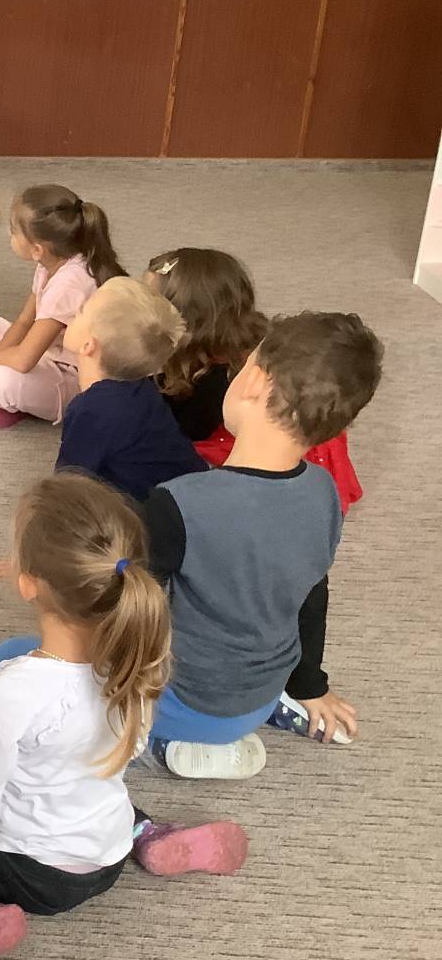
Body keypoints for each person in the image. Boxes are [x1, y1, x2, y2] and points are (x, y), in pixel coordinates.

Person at [0, 474, 248, 960]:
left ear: (28, 583)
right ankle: (147, 835)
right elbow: (129, 750)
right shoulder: (136, 663)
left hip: (35, 877)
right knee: (93, 779)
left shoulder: (16, 689)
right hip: (106, 852)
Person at [141, 312, 383, 778]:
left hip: (188, 701)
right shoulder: (325, 493)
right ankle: (271, 711)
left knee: (14, 657)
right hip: (266, 690)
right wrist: (310, 684)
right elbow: (312, 595)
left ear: (253, 381)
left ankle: (159, 743)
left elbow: (127, 609)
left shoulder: (178, 503)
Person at [145, 248, 364, 512]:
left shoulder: (215, 381)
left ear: (185, 322)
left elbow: (188, 428)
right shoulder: (241, 342)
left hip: (250, 442)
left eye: (147, 303)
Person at [0, 185, 124, 428]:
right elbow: (24, 321)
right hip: (51, 351)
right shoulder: (50, 263)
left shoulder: (69, 284)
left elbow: (25, 359)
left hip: (77, 377)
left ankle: (9, 401)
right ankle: (9, 399)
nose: (9, 235)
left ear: (37, 249)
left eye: (13, 231)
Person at [55, 278, 207, 500]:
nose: (75, 312)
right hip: (192, 491)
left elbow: (65, 487)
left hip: (157, 512)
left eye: (82, 311)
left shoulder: (91, 410)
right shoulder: (142, 388)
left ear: (88, 345)